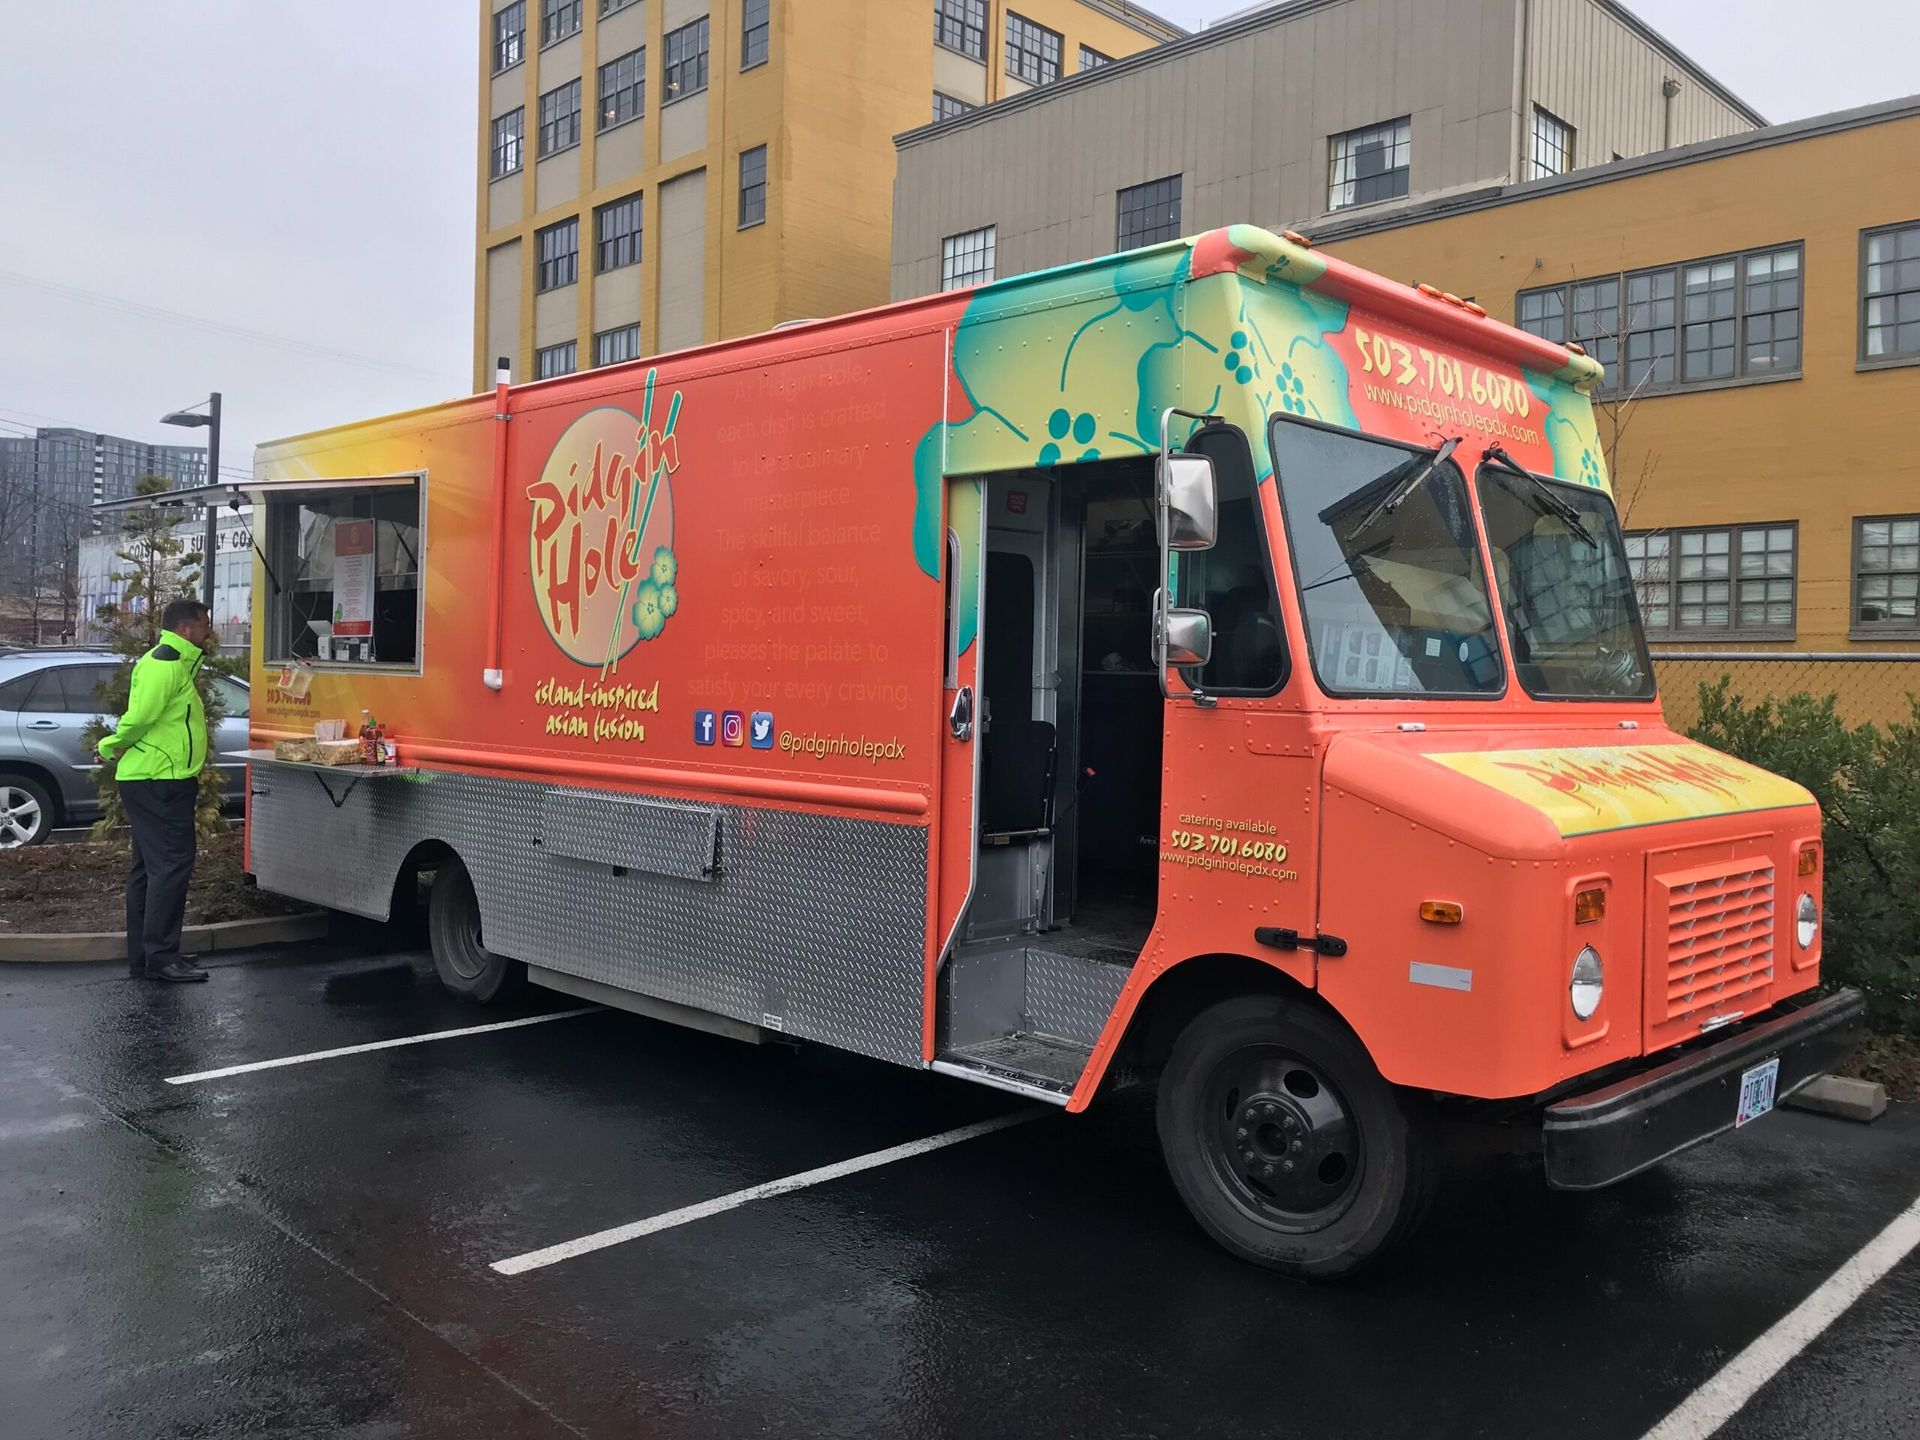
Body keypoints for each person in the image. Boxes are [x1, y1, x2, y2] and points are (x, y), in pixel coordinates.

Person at [98, 599, 215, 984]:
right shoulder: (165, 663)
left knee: (149, 869)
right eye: (202, 625)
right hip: (159, 779)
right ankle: (162, 957)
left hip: (158, 777)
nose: (207, 632)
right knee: (170, 866)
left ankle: (148, 955)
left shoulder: (175, 661)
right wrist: (110, 745)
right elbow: (141, 717)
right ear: (184, 629)